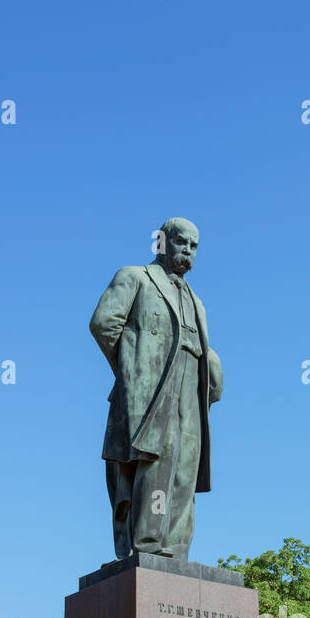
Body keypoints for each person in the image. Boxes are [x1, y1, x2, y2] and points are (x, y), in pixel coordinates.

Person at [90, 218, 223, 560]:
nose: (188, 251)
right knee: (155, 459)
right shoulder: (134, 276)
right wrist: (133, 372)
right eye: (182, 243)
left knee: (185, 467)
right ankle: (147, 546)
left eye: (195, 246)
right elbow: (104, 323)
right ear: (162, 242)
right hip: (151, 387)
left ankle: (176, 551)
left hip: (191, 389)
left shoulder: (197, 300)